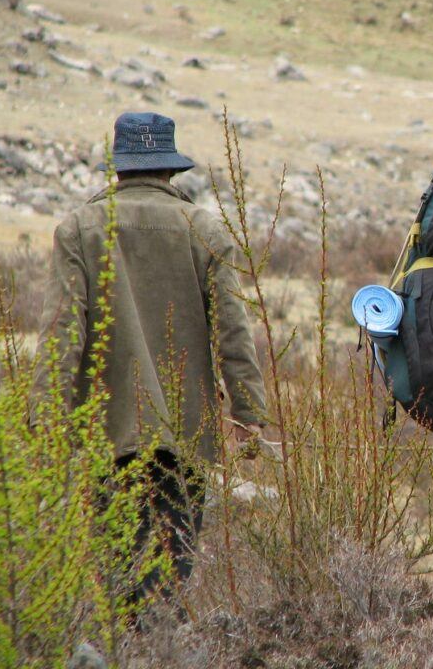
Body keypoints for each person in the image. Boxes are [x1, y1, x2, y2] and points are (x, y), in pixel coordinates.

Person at [34, 111, 267, 610]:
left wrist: (45, 420)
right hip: (186, 434)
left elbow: (60, 334)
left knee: (117, 575)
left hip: (105, 432)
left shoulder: (78, 229)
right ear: (171, 170)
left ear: (118, 168)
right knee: (169, 576)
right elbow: (234, 332)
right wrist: (248, 415)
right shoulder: (204, 229)